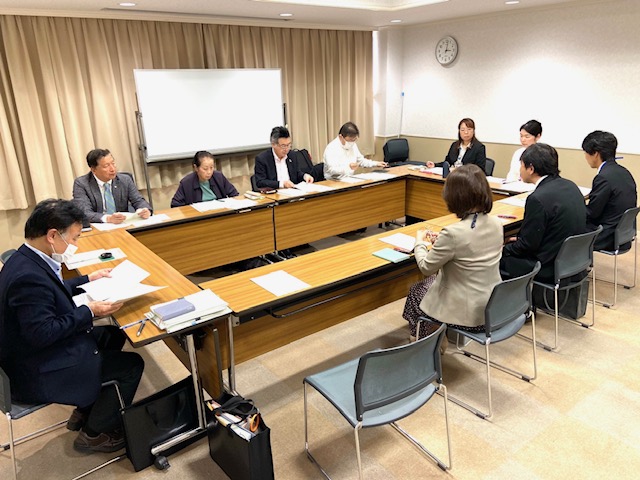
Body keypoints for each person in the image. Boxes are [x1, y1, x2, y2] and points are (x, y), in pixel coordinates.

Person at [0, 199, 144, 453]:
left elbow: (51, 289)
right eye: (74, 238)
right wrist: (90, 311)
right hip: (35, 370)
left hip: (29, 352)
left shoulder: (25, 257)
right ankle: (94, 433)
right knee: (132, 365)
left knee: (111, 334)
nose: (75, 245)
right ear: (52, 236)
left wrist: (87, 278)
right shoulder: (27, 278)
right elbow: (42, 333)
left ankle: (87, 407)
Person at [402, 164, 503, 339]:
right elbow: (471, 249)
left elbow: (426, 267)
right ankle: (434, 339)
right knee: (429, 287)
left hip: (468, 315)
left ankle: (428, 344)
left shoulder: (453, 233)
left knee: (417, 292)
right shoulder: (496, 223)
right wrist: (442, 242)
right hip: (493, 306)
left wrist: (420, 242)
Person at [501, 143, 587, 282]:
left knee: (496, 259)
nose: (520, 169)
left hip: (546, 266)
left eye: (521, 165)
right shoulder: (571, 185)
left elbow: (528, 246)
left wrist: (504, 248)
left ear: (531, 169)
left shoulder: (537, 199)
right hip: (571, 259)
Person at [582, 131, 637, 251]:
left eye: (585, 152)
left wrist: (575, 205)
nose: (585, 157)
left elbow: (592, 213)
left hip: (606, 236)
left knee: (564, 227)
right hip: (623, 234)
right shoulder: (624, 171)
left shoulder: (603, 177)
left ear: (595, 154)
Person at [73, 148, 152, 224]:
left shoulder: (125, 179)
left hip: (123, 224)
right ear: (93, 170)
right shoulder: (82, 184)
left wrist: (144, 210)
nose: (112, 169)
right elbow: (84, 212)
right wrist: (108, 218)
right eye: (106, 166)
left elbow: (138, 200)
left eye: (113, 163)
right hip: (98, 227)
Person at [171, 151, 239, 207]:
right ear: (196, 168)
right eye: (205, 169)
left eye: (211, 167)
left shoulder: (218, 177)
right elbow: (175, 205)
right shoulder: (186, 183)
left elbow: (234, 194)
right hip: (199, 216)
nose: (209, 172)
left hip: (220, 212)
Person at [323, 122, 387, 179]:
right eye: (350, 140)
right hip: (333, 181)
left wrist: (376, 163)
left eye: (354, 140)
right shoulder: (331, 148)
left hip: (349, 178)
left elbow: (361, 161)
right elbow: (331, 170)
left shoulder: (353, 145)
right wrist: (348, 167)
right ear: (341, 137)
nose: (352, 142)